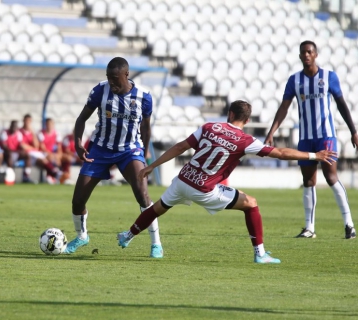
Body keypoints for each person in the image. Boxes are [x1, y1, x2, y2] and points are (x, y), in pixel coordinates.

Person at [116, 100, 337, 263]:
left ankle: (127, 236)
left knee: (157, 208)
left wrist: (152, 166)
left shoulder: (209, 127)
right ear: (247, 120)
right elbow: (279, 152)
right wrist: (313, 156)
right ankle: (260, 254)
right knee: (251, 203)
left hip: (183, 179)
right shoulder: (245, 140)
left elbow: (181, 146)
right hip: (204, 189)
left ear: (229, 113)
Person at [64, 57, 163, 258]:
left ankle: (156, 244)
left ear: (126, 75)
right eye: (108, 78)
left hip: (129, 150)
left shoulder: (144, 97)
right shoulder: (100, 90)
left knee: (142, 194)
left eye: (115, 78)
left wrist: (143, 155)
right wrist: (78, 143)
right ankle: (82, 236)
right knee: (78, 200)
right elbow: (82, 118)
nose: (111, 82)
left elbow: (145, 126)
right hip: (100, 148)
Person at [265, 40, 357, 239]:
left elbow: (341, 105)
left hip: (326, 137)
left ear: (315, 55)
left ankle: (349, 224)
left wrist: (353, 130)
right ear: (299, 56)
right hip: (306, 138)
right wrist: (272, 131)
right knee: (308, 181)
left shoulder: (328, 77)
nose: (306, 55)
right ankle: (309, 228)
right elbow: (284, 107)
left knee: (331, 177)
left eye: (309, 52)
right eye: (303, 52)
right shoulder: (294, 80)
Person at [20, 114, 59, 184]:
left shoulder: (32, 132)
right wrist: (32, 148)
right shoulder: (19, 131)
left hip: (34, 153)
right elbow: (22, 145)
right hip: (25, 153)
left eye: (29, 121)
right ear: (23, 121)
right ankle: (56, 174)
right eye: (26, 121)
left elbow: (36, 145)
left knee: (44, 160)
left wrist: (32, 132)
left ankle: (52, 176)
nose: (27, 123)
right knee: (44, 159)